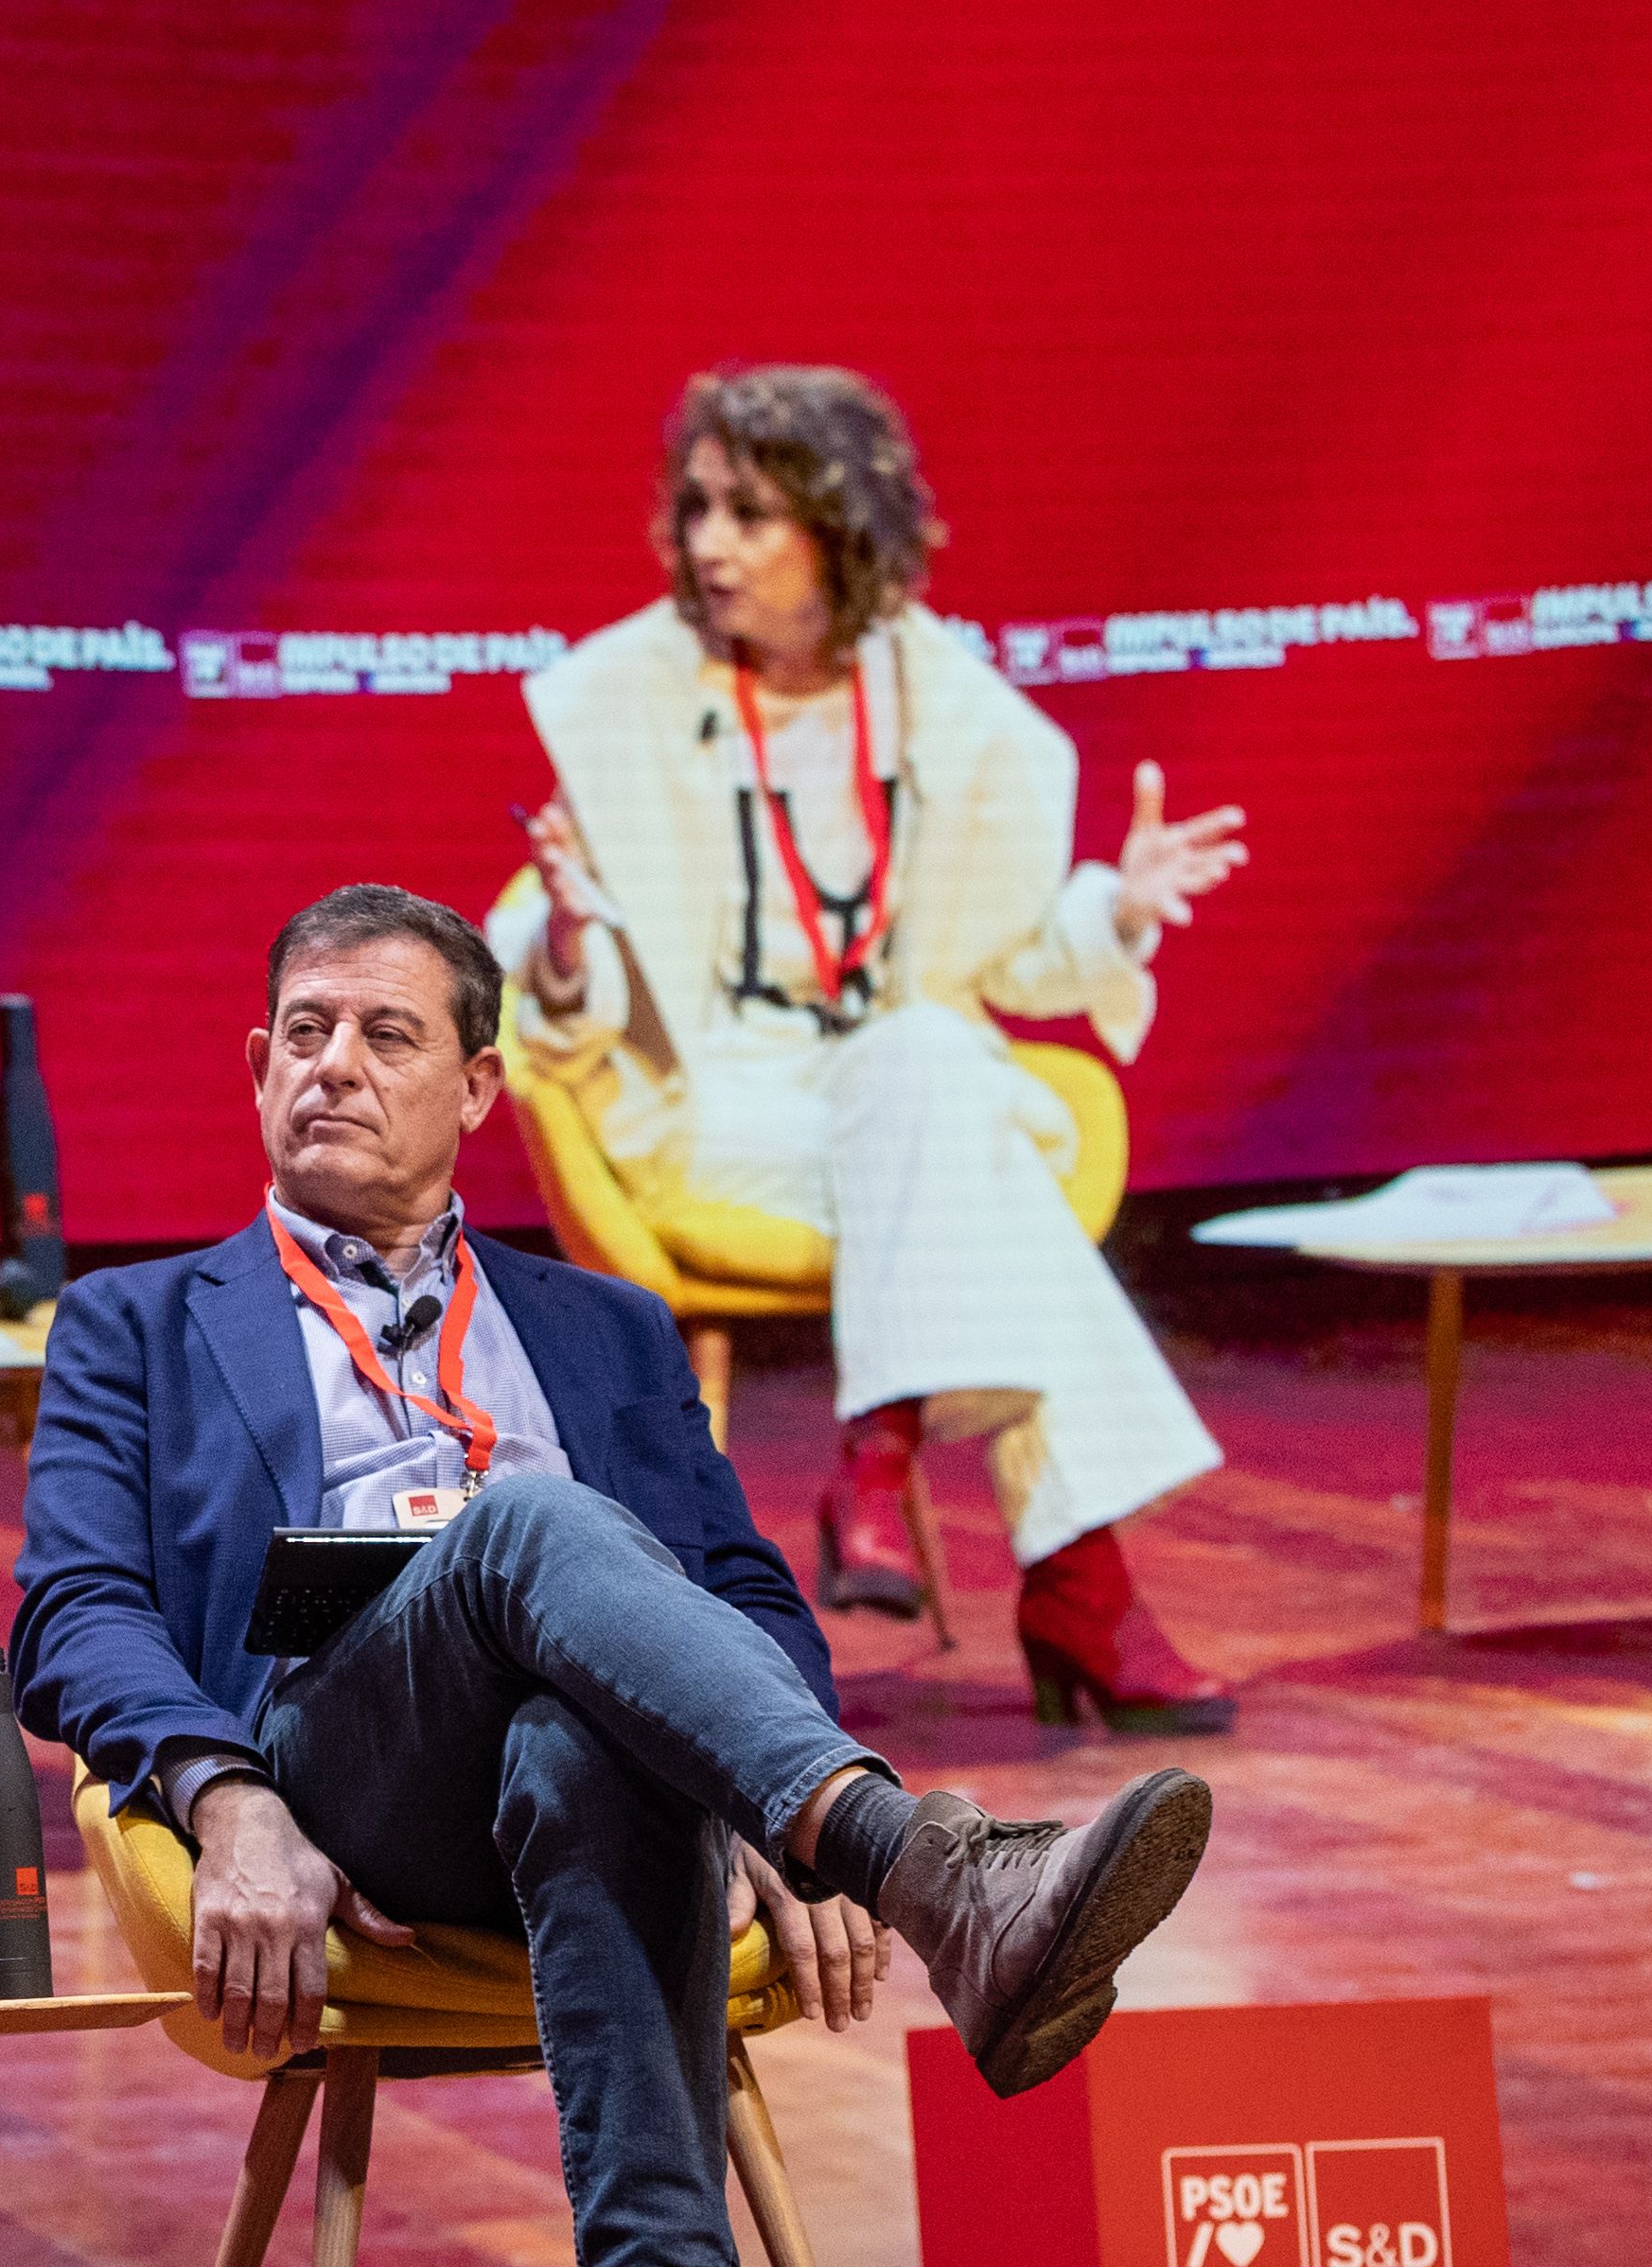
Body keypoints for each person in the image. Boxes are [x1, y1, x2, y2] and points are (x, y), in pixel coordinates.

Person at [11, 886, 1219, 2267]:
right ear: (255, 1067)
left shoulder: (603, 1326)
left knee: (583, 1745)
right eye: (302, 1032)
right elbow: (72, 1609)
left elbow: (741, 1588)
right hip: (334, 1778)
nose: (331, 1065)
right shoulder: (136, 1325)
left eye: (383, 1034)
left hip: (572, 1776)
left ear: (477, 1087)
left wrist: (751, 1788)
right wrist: (226, 1798)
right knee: (526, 1519)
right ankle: (920, 1864)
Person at [498, 367, 1256, 1728]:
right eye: (696, 508)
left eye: (749, 513)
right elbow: (554, 978)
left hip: (895, 1092)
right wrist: (565, 930)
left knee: (917, 1058)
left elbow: (1007, 958)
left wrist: (1117, 911)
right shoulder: (632, 700)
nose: (709, 544)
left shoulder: (941, 703)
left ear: (839, 527)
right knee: (964, 1132)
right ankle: (1071, 1579)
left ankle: (884, 1458)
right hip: (725, 1107)